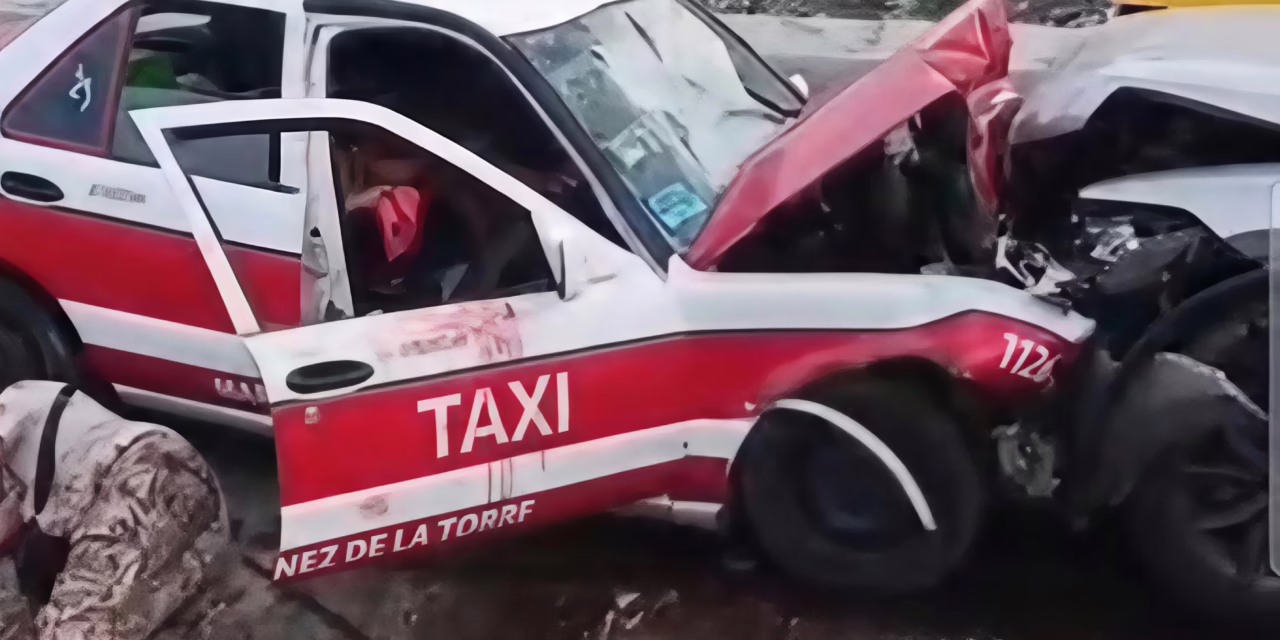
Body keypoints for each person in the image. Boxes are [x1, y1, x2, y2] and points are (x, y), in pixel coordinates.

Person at [0, 381, 228, 640]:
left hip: (141, 477)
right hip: (152, 467)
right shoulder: (23, 406)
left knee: (73, 628)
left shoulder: (12, 411)